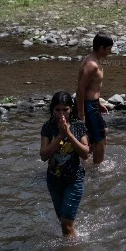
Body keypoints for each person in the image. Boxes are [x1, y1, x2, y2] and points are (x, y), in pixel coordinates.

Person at [39, 91, 90, 238]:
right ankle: (74, 240)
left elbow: (85, 152)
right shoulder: (48, 127)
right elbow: (43, 155)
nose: (62, 114)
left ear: (71, 109)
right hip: (54, 180)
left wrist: (69, 134)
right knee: (63, 220)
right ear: (52, 110)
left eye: (65, 110)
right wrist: (60, 136)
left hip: (74, 179)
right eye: (57, 110)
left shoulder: (78, 126)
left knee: (66, 225)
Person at [76, 33, 113, 165]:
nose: (110, 52)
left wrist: (98, 103)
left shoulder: (92, 59)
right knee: (99, 139)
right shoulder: (92, 65)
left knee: (102, 132)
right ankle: (98, 169)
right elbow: (80, 90)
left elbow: (92, 88)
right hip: (88, 106)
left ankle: (85, 160)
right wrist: (81, 114)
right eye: (109, 49)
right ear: (101, 48)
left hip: (92, 104)